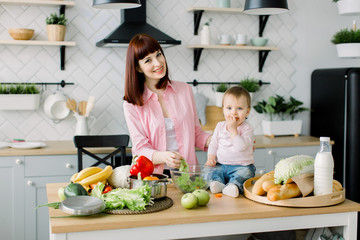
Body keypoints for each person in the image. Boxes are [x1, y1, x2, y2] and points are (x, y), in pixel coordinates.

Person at [123, 33, 211, 175]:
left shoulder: (185, 90)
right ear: (138, 68)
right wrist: (164, 156)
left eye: (158, 54)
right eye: (148, 60)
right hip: (154, 178)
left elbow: (196, 134)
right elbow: (140, 149)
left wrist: (221, 141)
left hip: (188, 175)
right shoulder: (131, 104)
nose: (158, 63)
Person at [205, 86, 255, 198]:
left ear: (247, 112)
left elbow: (240, 147)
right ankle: (217, 184)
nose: (234, 113)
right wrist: (211, 157)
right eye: (229, 108)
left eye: (239, 108)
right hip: (221, 164)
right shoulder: (220, 126)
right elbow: (214, 143)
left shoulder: (247, 128)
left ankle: (234, 186)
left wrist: (233, 130)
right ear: (223, 109)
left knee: (244, 174)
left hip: (241, 166)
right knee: (211, 172)